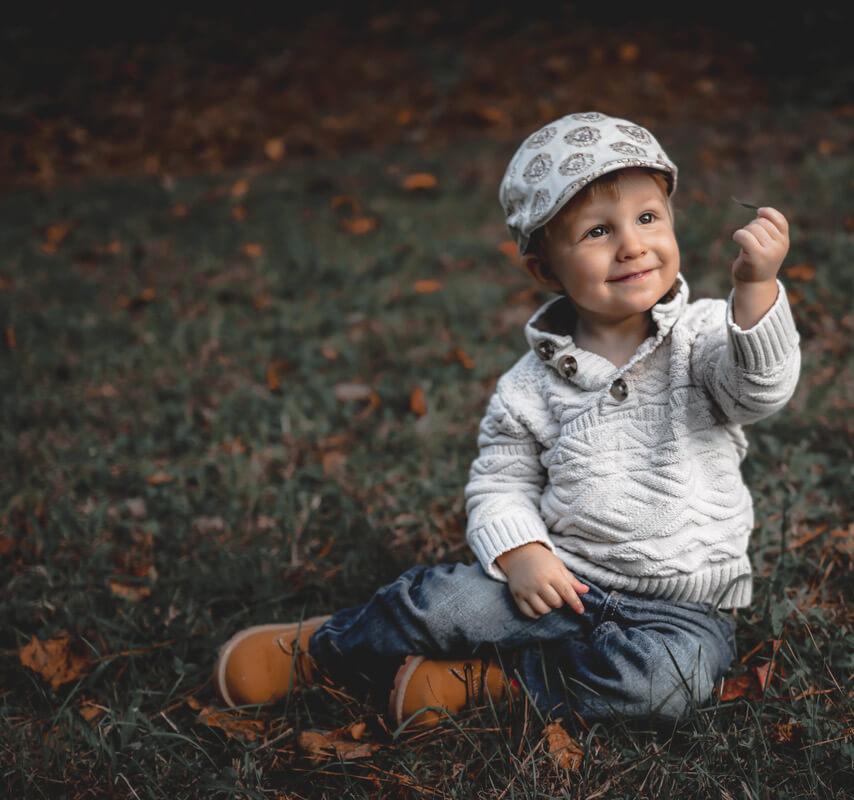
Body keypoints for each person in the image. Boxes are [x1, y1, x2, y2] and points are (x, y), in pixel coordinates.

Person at [214, 111, 801, 728]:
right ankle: (324, 649)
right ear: (545, 269)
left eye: (648, 218)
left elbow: (758, 393)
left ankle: (499, 684)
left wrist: (756, 292)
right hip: (559, 582)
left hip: (680, 609)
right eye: (599, 231)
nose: (632, 245)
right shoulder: (528, 387)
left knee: (662, 689)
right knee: (440, 605)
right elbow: (501, 482)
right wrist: (522, 554)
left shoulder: (708, 333)